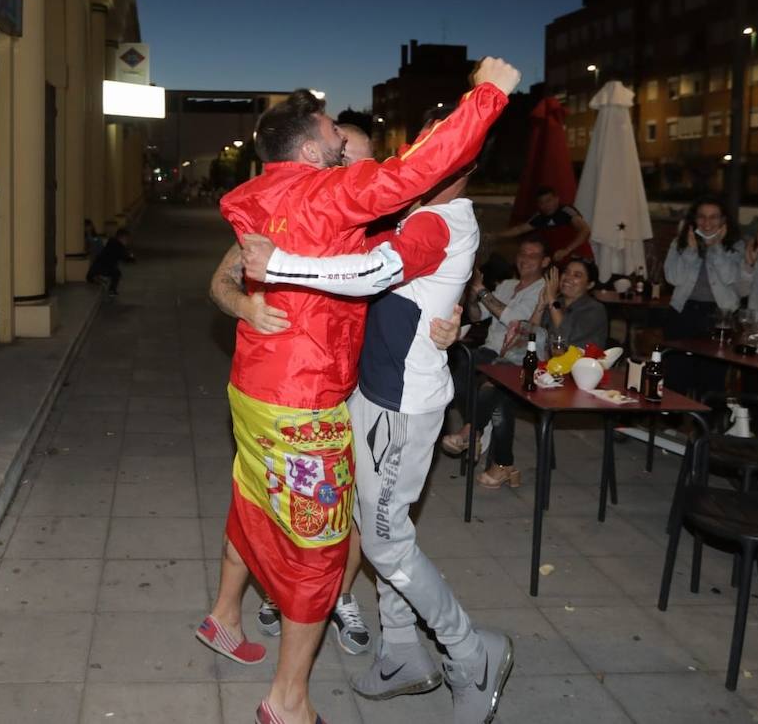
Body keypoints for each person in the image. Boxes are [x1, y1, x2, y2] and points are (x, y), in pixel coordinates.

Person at [198, 61, 517, 724]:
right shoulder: (336, 195)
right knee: (343, 541)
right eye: (334, 135)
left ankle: (430, 650)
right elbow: (369, 249)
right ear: (312, 146)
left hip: (297, 394)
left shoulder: (264, 196)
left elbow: (369, 270)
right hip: (316, 398)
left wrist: (450, 320)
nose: (353, 150)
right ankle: (318, 685)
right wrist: (485, 95)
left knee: (369, 532)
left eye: (429, 144)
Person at [214, 125, 378, 656]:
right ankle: (288, 689)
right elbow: (220, 281)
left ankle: (226, 617)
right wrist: (247, 307)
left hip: (355, 382)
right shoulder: (284, 211)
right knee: (315, 528)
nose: (351, 162)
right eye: (344, 149)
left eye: (363, 156)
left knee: (271, 505)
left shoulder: (376, 215)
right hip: (301, 392)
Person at [444, 257, 608, 484]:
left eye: (577, 275)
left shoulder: (594, 309)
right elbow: (531, 335)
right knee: (498, 389)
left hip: (575, 381)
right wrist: (541, 307)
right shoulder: (555, 302)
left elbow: (564, 342)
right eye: (567, 273)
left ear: (590, 284)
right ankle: (499, 460)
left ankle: (474, 435)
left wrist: (551, 301)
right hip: (546, 375)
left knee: (497, 388)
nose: (568, 278)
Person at [662, 195, 744, 396]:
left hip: (719, 316)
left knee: (712, 375)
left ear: (723, 220)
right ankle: (673, 423)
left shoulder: (736, 244)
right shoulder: (680, 242)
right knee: (677, 372)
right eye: (702, 217)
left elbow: (731, 277)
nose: (707, 223)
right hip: (684, 311)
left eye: (713, 217)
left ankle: (706, 424)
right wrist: (690, 251)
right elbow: (673, 278)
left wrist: (715, 248)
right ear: (694, 219)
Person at [498, 186, 592, 262]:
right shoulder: (539, 217)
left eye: (548, 200)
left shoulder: (566, 211)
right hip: (558, 260)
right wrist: (495, 235)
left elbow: (585, 230)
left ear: (556, 199)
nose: (546, 205)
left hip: (579, 257)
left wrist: (567, 250)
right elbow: (519, 229)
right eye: (541, 202)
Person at [85, 227, 134, 296]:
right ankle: (112, 290)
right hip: (103, 267)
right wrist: (131, 258)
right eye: (126, 240)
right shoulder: (118, 246)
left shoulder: (111, 242)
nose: (127, 242)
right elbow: (124, 257)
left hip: (96, 267)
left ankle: (98, 278)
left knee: (114, 271)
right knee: (116, 273)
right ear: (122, 238)